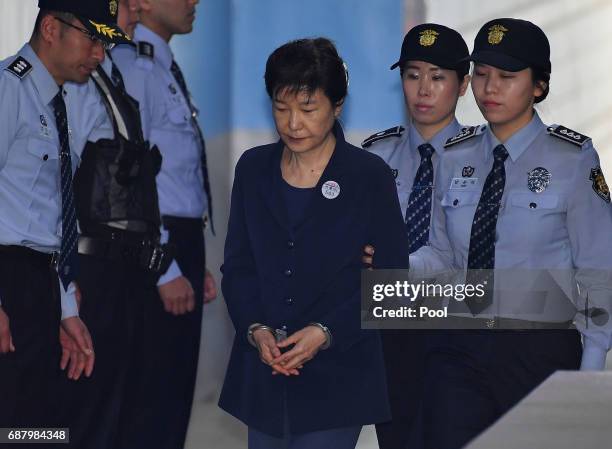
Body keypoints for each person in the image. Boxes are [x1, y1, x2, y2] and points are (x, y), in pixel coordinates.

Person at [409, 18, 612, 449]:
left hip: (539, 347)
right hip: (458, 343)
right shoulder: (454, 155)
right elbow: (442, 256)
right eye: (481, 74)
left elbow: (598, 271)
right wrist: (393, 263)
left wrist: (590, 367)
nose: (489, 89)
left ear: (538, 86)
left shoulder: (572, 159)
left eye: (506, 77)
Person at [218, 37, 410, 449]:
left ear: (337, 106)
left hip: (339, 372)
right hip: (265, 371)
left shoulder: (368, 176)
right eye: (281, 108)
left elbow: (393, 283)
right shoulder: (254, 169)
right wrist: (255, 330)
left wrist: (325, 332)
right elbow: (237, 267)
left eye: (308, 110)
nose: (293, 124)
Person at [0, 0, 127, 429]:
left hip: (39, 282)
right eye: (92, 39)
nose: (99, 55)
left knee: (40, 426)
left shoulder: (57, 106)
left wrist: (64, 309)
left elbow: (50, 219)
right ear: (51, 28)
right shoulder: (7, 89)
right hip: (8, 280)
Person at [54, 1, 175, 447]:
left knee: (117, 408)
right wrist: (63, 283)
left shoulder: (107, 75)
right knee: (80, 411)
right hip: (92, 269)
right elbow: (56, 187)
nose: (132, 16)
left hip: (124, 271)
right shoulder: (73, 85)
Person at [109, 1, 218, 447]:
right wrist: (166, 267)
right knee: (152, 402)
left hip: (179, 241)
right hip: (155, 247)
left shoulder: (164, 66)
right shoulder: (132, 66)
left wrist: (194, 261)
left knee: (174, 395)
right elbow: (130, 179)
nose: (194, 3)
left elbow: (177, 176)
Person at [361, 23, 470, 449]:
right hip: (389, 325)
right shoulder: (374, 156)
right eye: (412, 74)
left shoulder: (487, 158)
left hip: (458, 324)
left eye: (438, 76)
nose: (423, 89)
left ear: (462, 85)